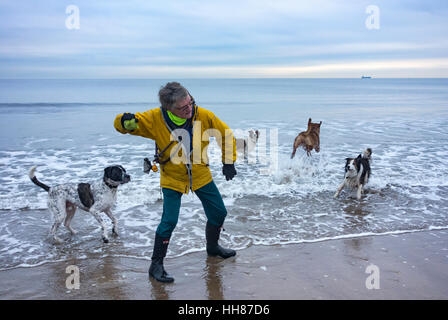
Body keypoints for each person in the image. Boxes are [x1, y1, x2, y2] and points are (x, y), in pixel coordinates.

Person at [114, 82, 237, 283]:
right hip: (172, 177)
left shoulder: (203, 115)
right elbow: (124, 125)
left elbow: (226, 135)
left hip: (200, 174)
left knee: (219, 212)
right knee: (169, 221)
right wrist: (124, 121)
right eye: (183, 107)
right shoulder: (155, 118)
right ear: (169, 108)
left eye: (191, 102)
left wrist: (229, 161)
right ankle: (156, 265)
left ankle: (213, 247)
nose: (190, 108)